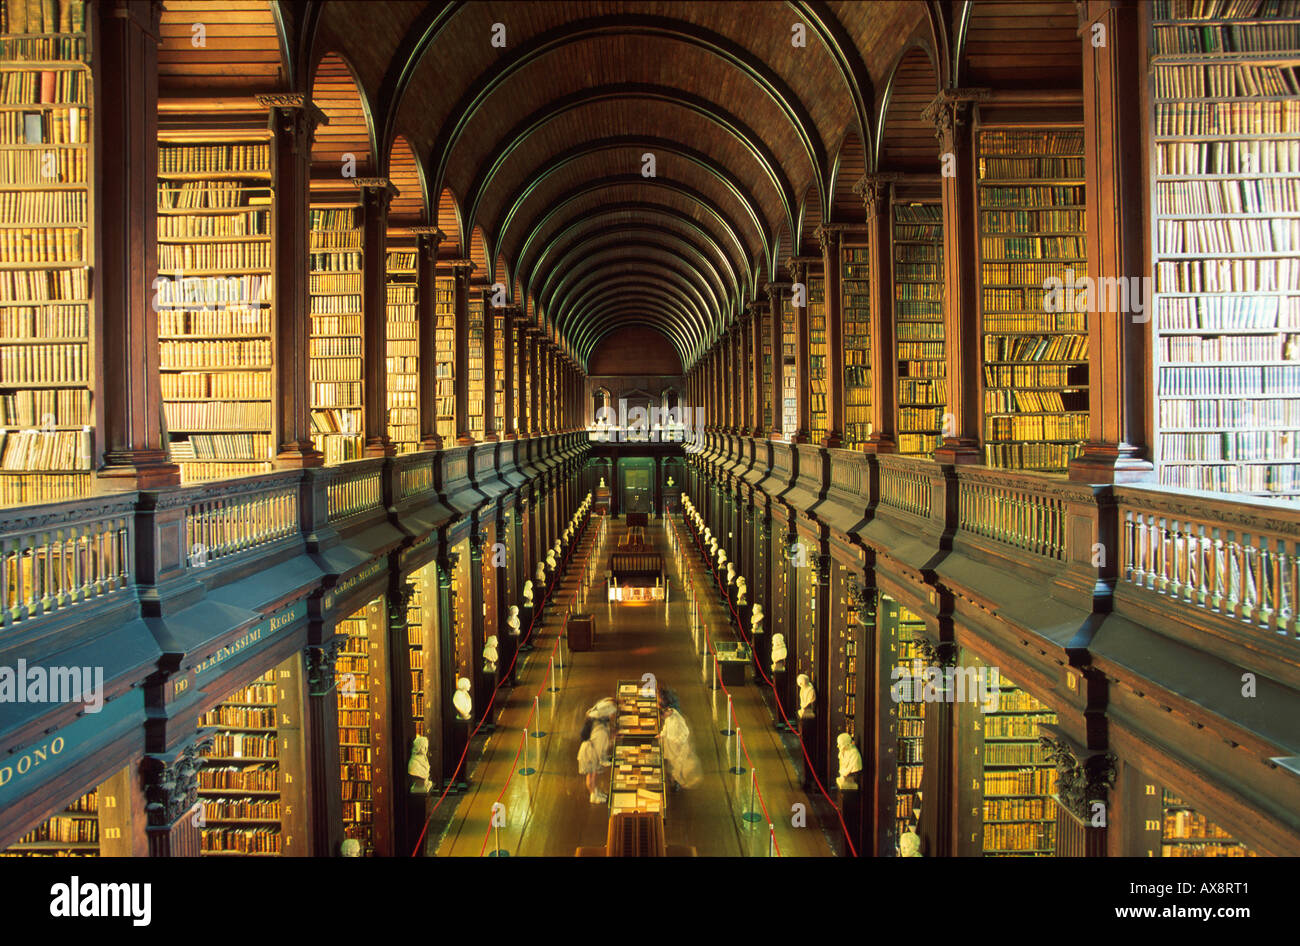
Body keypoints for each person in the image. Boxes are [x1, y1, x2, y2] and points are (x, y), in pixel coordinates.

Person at [657, 688, 702, 791]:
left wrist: (678, 741)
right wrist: (662, 734)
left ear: (667, 710)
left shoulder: (678, 719)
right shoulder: (669, 717)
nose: (663, 718)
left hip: (678, 746)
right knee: (672, 762)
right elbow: (666, 727)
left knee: (678, 764)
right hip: (671, 744)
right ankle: (674, 779)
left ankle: (677, 782)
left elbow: (686, 732)